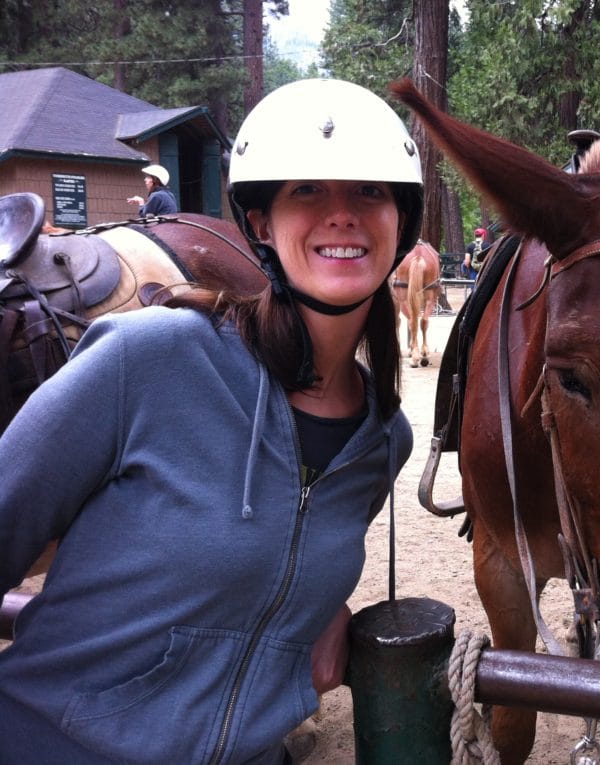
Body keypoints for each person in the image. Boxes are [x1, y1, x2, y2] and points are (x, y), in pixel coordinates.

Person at [0, 78, 420, 764]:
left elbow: (279, 559)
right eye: (308, 190)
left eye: (370, 191)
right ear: (260, 221)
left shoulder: (383, 440)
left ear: (402, 221)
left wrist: (309, 613)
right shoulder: (146, 362)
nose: (342, 214)